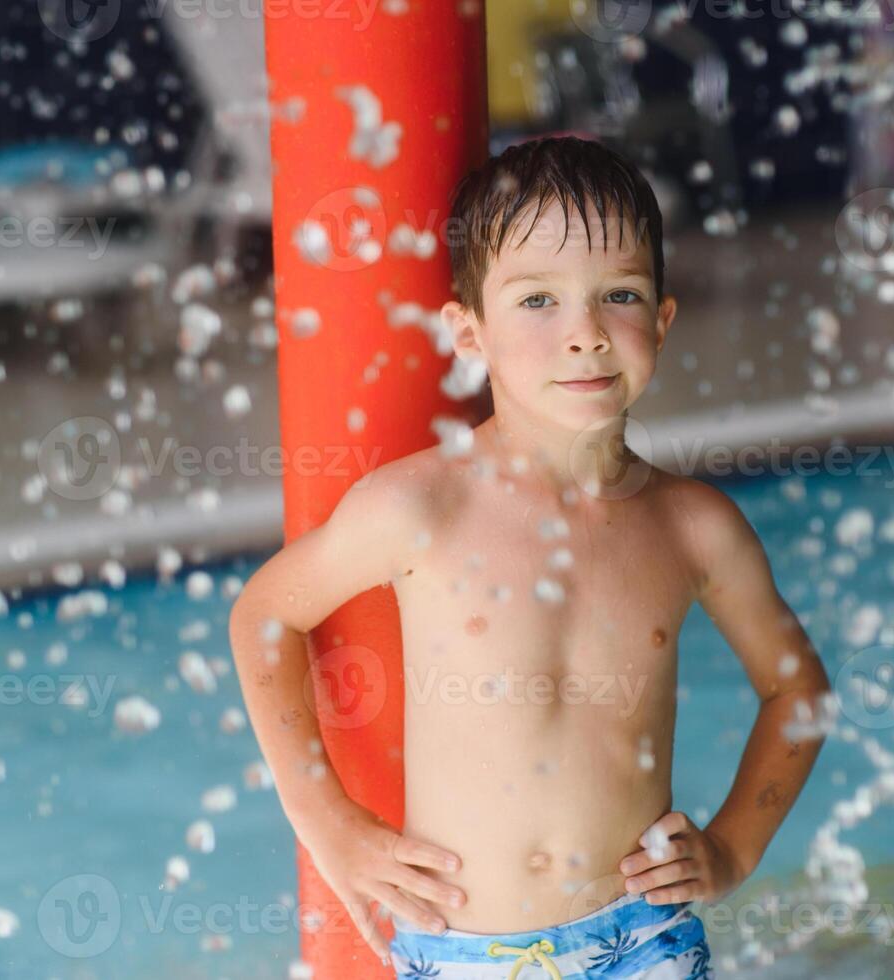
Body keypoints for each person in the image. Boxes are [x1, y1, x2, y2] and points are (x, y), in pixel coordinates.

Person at [228, 136, 832, 979]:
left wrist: (733, 849)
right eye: (538, 301)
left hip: (645, 938)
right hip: (462, 946)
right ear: (467, 330)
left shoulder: (693, 527)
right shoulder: (420, 506)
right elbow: (263, 616)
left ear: (661, 318)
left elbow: (796, 687)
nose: (584, 334)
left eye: (617, 294)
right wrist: (329, 825)